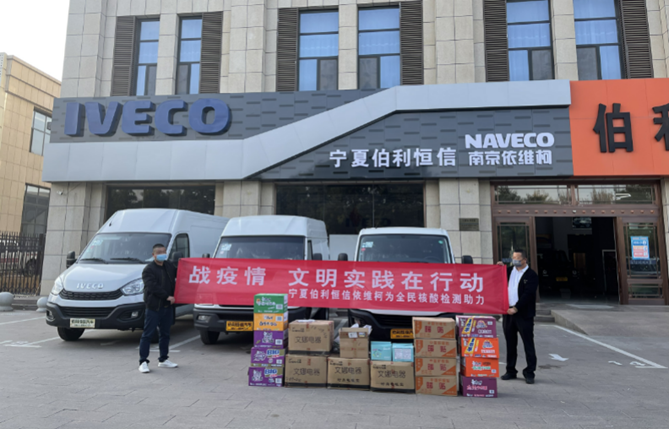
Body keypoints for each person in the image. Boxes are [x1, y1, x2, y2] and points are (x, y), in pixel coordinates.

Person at [497, 249, 538, 384]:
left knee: (528, 343)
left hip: (523, 314)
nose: (514, 261)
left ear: (524, 260)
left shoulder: (531, 275)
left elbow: (528, 294)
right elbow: (496, 280)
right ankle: (510, 370)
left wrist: (516, 308)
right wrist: (498, 268)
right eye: (513, 258)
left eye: (517, 259)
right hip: (508, 313)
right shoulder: (508, 271)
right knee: (510, 343)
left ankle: (529, 372)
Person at [138, 244, 179, 373]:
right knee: (148, 335)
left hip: (168, 307)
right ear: (153, 255)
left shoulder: (169, 266)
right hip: (154, 307)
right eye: (159, 252)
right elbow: (152, 287)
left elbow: (181, 274)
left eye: (164, 252)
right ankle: (143, 362)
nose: (162, 254)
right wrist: (167, 296)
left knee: (165, 334)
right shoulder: (148, 269)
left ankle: (163, 359)